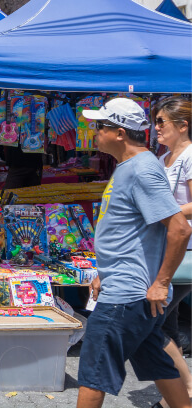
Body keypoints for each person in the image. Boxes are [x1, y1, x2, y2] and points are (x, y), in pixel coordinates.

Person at [76, 98, 192, 408]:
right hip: (128, 288)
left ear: (119, 133)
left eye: (99, 126)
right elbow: (130, 231)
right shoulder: (133, 165)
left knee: (93, 371)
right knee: (159, 365)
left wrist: (162, 283)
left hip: (127, 296)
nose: (94, 131)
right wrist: (104, 272)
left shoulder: (141, 169)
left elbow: (179, 229)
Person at [153, 96, 192, 403]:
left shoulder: (190, 156)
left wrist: (162, 211)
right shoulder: (163, 157)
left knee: (153, 321)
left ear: (182, 126)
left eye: (161, 122)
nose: (156, 128)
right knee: (166, 320)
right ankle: (174, 395)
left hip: (184, 251)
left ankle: (187, 389)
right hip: (165, 247)